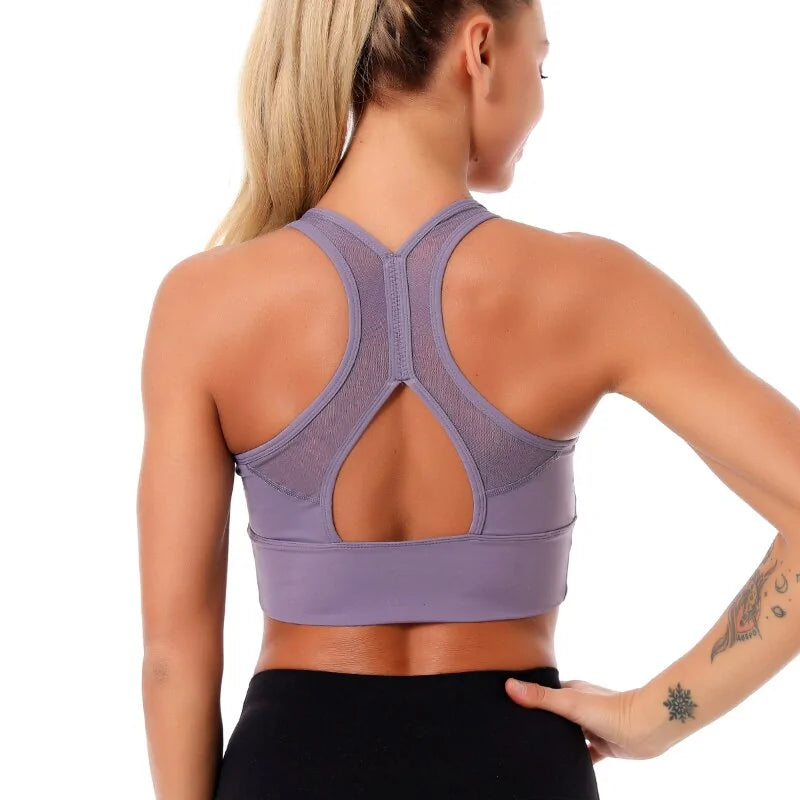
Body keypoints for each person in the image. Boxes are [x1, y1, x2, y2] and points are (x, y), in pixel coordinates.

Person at [137, 1, 800, 798]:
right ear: (480, 49)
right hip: (518, 768)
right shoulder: (592, 289)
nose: (541, 96)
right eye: (541, 63)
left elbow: (173, 662)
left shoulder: (203, 305)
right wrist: (659, 714)